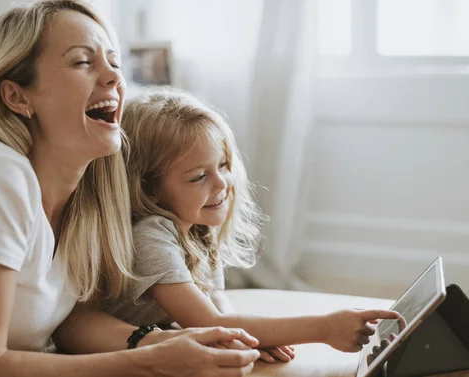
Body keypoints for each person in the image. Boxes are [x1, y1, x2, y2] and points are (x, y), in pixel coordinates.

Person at [0, 2, 262, 377]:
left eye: (113, 62)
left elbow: (76, 319)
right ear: (17, 96)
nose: (112, 77)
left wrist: (165, 342)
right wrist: (153, 362)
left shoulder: (87, 185)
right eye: (82, 62)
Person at [103, 87, 401, 362]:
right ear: (148, 188)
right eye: (198, 177)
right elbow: (208, 322)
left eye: (222, 165)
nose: (222, 183)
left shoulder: (195, 224)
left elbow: (215, 300)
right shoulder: (151, 237)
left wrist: (248, 337)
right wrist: (324, 327)